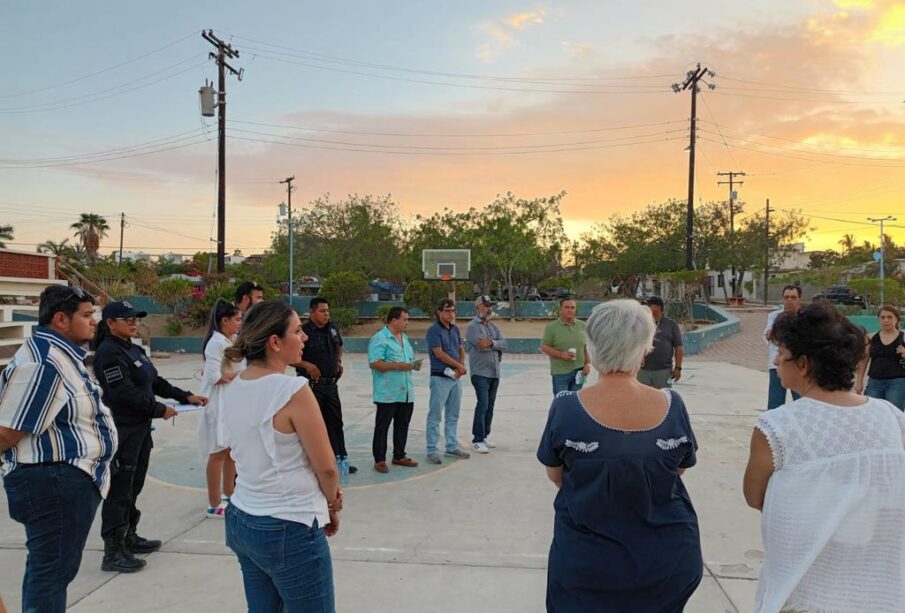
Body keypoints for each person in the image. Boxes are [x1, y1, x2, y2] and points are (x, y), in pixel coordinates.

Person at [537, 300, 702, 611]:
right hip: (668, 562)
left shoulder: (567, 407)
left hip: (587, 565)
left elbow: (557, 475)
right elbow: (677, 470)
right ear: (644, 348)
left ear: (592, 346)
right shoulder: (672, 405)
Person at [744, 302, 905, 612]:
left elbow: (755, 496)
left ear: (803, 363)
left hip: (808, 587)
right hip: (879, 591)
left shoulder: (776, 426)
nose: (775, 360)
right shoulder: (890, 416)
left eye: (781, 353)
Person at [0, 286, 117, 613]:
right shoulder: (45, 363)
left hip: (60, 480)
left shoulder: (61, 356)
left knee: (49, 570)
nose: (95, 321)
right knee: (50, 574)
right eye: (86, 315)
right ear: (61, 319)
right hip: (53, 482)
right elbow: (6, 434)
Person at [220, 301, 341, 612]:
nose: (304, 338)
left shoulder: (235, 386)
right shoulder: (292, 390)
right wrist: (331, 503)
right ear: (275, 342)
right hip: (288, 524)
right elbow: (326, 466)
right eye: (298, 331)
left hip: (243, 518)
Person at [93, 300, 207, 573]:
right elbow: (123, 393)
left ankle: (129, 535)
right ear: (110, 323)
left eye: (136, 318)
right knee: (120, 489)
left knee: (134, 485)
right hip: (124, 429)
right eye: (127, 318)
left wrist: (184, 396)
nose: (134, 322)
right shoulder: (109, 353)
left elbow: (154, 381)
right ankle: (113, 550)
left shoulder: (132, 348)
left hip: (140, 429)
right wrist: (160, 409)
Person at [294, 297, 357, 474]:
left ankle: (340, 459)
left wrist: (338, 361)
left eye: (328, 310)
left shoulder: (333, 329)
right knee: (314, 425)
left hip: (331, 385)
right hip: (311, 387)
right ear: (312, 312)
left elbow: (340, 346)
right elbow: (290, 358)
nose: (326, 314)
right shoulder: (303, 332)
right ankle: (314, 463)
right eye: (322, 311)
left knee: (336, 422)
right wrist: (306, 365)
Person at [199, 299, 243, 518]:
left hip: (230, 402)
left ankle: (230, 495)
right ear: (224, 321)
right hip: (218, 403)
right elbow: (213, 376)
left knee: (230, 452)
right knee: (217, 452)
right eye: (236, 319)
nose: (239, 323)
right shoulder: (216, 343)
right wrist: (241, 376)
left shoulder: (230, 340)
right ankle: (214, 503)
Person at [368, 307, 420, 473]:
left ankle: (399, 455)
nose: (406, 323)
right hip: (387, 392)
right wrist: (398, 366)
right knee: (382, 426)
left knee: (402, 424)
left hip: (405, 392)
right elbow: (375, 363)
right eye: (404, 319)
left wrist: (413, 365)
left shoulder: (404, 338)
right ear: (393, 320)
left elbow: (408, 360)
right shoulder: (380, 339)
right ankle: (380, 459)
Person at [425, 298, 470, 464]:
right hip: (440, 377)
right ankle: (431, 449)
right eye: (447, 311)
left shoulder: (455, 329)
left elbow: (460, 349)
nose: (450, 314)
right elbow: (439, 353)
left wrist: (461, 367)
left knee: (453, 414)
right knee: (435, 415)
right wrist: (458, 365)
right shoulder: (434, 331)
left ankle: (451, 446)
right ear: (439, 312)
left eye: (453, 311)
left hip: (455, 378)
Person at [466, 295, 508, 453]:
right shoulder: (472, 327)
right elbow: (480, 345)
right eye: (485, 306)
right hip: (480, 373)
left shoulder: (493, 327)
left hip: (494, 372)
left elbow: (504, 344)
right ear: (478, 308)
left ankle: (484, 435)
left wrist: (491, 342)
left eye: (490, 306)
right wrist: (494, 344)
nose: (489, 309)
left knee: (490, 406)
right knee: (482, 404)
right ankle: (477, 439)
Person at [855, 305, 905, 410]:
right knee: (873, 412)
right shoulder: (871, 337)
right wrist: (859, 381)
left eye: (889, 317)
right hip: (874, 382)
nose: (886, 320)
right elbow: (863, 361)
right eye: (883, 317)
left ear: (896, 318)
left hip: (897, 383)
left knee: (893, 414)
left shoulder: (903, 337)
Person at [540, 298, 591, 395]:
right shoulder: (552, 327)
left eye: (572, 307)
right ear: (561, 310)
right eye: (566, 307)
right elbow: (544, 347)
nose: (570, 310)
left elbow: (585, 347)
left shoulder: (583, 326)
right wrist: (561, 354)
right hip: (560, 373)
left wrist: (587, 364)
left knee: (576, 401)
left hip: (580, 372)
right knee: (561, 402)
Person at [765, 285, 802, 409]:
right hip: (776, 366)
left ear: (799, 299)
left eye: (793, 297)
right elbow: (769, 336)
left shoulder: (805, 317)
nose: (789, 300)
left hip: (799, 367)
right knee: (775, 403)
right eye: (786, 297)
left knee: (801, 402)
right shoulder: (774, 316)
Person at [637, 296, 683, 389]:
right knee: (643, 399)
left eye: (649, 305)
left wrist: (678, 368)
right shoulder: (642, 323)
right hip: (643, 370)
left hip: (664, 370)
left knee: (662, 398)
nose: (647, 307)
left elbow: (678, 347)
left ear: (658, 307)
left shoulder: (671, 325)